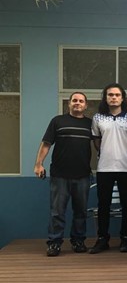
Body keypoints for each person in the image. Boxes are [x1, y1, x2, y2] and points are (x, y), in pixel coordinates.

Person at [34, 92, 93, 256]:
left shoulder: (90, 124)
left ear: (86, 105)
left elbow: (99, 145)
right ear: (69, 104)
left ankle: (78, 241)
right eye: (74, 100)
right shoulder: (58, 121)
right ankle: (54, 243)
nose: (77, 103)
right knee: (57, 212)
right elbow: (46, 144)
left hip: (82, 175)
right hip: (60, 175)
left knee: (80, 211)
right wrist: (38, 164)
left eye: (81, 101)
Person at [90, 83, 127, 254]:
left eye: (117, 95)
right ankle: (102, 239)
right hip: (104, 168)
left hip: (126, 167)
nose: (113, 97)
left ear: (122, 98)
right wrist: (105, 153)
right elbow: (96, 141)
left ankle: (125, 238)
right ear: (106, 98)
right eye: (110, 95)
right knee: (103, 204)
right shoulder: (98, 118)